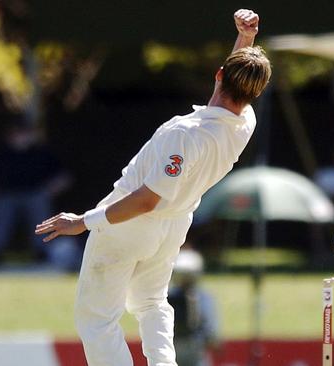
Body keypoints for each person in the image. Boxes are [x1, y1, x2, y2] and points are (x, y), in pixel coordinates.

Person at [35, 9, 270, 366]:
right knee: (150, 302)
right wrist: (246, 40)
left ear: (219, 75)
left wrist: (83, 221)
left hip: (133, 220)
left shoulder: (186, 135)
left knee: (97, 319)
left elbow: (146, 200)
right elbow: (236, 82)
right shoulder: (245, 123)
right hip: (172, 225)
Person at [0, 124, 71, 265]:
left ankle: (42, 252)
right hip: (6, 195)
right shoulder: (0, 154)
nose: (21, 137)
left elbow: (65, 177)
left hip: (35, 195)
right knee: (0, 209)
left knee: (40, 205)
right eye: (17, 133)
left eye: (24, 133)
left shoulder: (42, 153)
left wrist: (48, 192)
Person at [169, 247, 219, 366]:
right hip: (196, 348)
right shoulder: (204, 297)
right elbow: (212, 333)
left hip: (175, 348)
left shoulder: (167, 297)